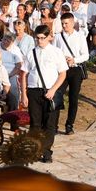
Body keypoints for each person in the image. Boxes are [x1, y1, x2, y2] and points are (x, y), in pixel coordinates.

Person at [25, 24, 69, 163]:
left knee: (49, 124)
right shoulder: (31, 52)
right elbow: (24, 73)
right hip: (33, 90)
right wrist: (23, 93)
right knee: (35, 123)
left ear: (49, 37)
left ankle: (46, 151)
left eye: (43, 38)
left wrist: (53, 90)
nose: (40, 41)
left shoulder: (56, 52)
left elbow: (62, 74)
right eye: (37, 38)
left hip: (50, 91)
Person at [53, 14, 88, 136]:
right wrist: (61, 59)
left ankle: (69, 125)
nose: (64, 26)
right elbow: (54, 52)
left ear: (73, 23)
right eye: (62, 23)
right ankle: (54, 124)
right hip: (61, 70)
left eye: (66, 23)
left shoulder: (80, 36)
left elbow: (86, 55)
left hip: (75, 70)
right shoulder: (58, 36)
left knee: (73, 98)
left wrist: (74, 59)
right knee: (57, 95)